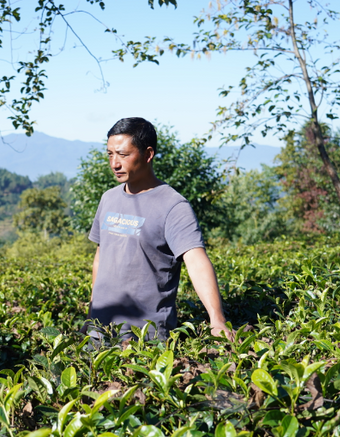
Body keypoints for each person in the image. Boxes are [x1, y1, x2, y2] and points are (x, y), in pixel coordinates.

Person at [88, 117, 232, 342]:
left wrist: (217, 319)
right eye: (110, 154)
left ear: (148, 154)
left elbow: (196, 261)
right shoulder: (108, 199)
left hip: (145, 338)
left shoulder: (173, 205)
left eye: (123, 155)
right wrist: (91, 313)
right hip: (100, 332)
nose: (114, 163)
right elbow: (100, 257)